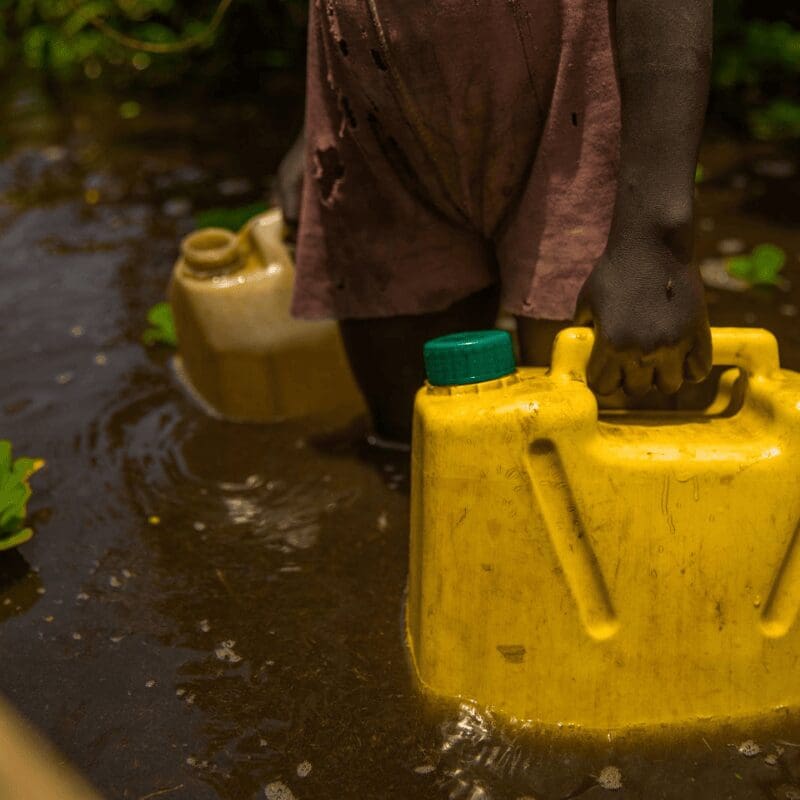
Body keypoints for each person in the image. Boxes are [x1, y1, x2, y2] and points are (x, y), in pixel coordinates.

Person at [277, 0, 713, 443]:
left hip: (570, 100)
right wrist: (311, 120)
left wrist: (656, 235)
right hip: (372, 120)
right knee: (414, 441)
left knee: (595, 452)